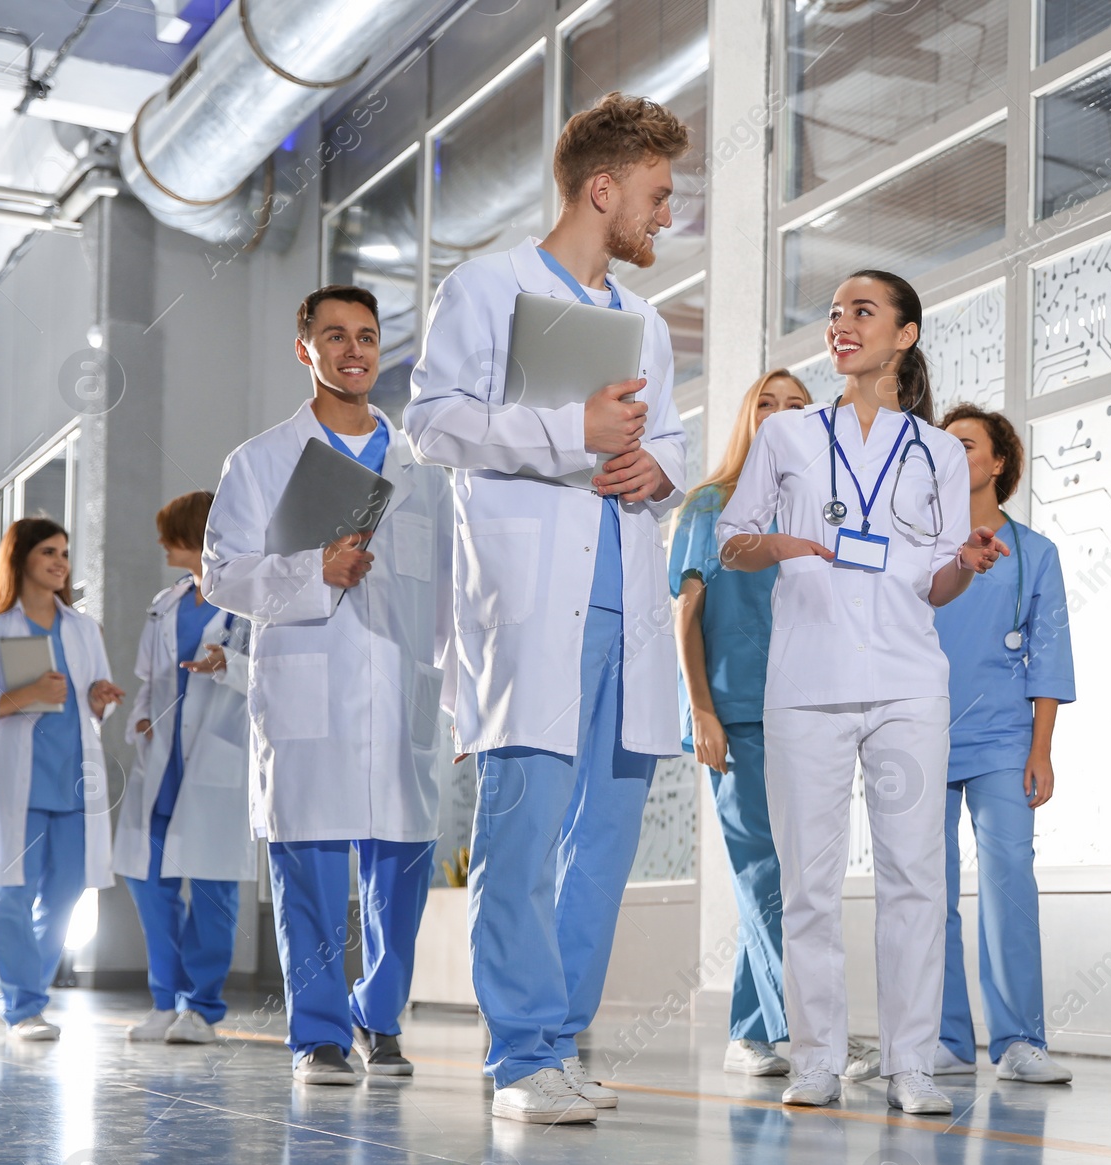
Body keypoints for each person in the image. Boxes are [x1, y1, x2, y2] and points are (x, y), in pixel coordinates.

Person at [406, 92, 688, 1124]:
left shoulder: (645, 320)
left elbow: (678, 439)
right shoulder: (486, 287)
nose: (666, 216)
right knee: (521, 841)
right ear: (601, 188)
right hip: (529, 601)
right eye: (656, 196)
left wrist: (659, 462)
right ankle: (518, 1054)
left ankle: (560, 1041)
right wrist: (571, 426)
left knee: (600, 849)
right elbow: (433, 424)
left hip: (624, 603)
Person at [717, 270, 1007, 1117]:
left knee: (916, 876)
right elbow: (731, 541)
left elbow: (938, 583)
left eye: (862, 311)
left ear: (905, 335)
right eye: (835, 312)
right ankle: (815, 1059)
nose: (841, 323)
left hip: (909, 685)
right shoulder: (789, 437)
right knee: (807, 882)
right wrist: (778, 541)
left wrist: (966, 561)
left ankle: (911, 1063)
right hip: (806, 684)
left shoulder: (941, 451)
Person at [203, 284, 454, 1085]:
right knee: (307, 862)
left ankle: (378, 1018)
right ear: (304, 348)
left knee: (403, 862)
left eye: (368, 336)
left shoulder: (423, 466)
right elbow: (221, 575)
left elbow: (449, 586)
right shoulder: (261, 459)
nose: (355, 350)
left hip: (403, 682)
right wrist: (315, 568)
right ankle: (316, 1033)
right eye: (335, 335)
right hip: (310, 680)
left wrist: (449, 688)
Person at [673, 369, 851, 1080]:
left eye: (798, 408)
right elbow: (686, 613)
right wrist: (701, 710)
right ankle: (816, 1030)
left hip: (804, 710)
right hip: (735, 712)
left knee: (794, 874)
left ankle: (751, 1032)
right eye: (768, 405)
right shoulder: (709, 506)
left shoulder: (819, 511)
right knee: (765, 873)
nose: (782, 416)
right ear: (749, 418)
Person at [931, 404, 1076, 1085]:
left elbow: (1048, 659)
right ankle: (945, 1039)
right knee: (928, 889)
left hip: (1003, 739)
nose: (952, 454)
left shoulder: (1036, 554)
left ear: (997, 462)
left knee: (1009, 881)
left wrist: (1040, 749)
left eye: (965, 445)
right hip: (920, 734)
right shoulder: (921, 546)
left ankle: (1019, 1038)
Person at [0, 517, 124, 1040]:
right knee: (12, 893)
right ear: (22, 558)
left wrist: (100, 701)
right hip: (19, 783)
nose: (60, 562)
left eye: (65, 554)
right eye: (49, 551)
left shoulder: (82, 628)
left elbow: (94, 704)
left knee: (66, 894)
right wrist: (27, 695)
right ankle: (22, 1006)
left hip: (75, 782)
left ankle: (29, 994)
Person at [115, 491, 255, 1046]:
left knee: (214, 891)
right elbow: (151, 681)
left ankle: (202, 1008)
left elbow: (264, 672)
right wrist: (142, 720)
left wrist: (229, 664)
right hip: (162, 762)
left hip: (216, 757)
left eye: (170, 533)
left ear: (197, 536)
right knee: (150, 882)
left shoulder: (246, 600)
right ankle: (164, 1000)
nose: (161, 544)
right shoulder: (166, 601)